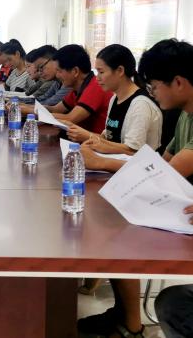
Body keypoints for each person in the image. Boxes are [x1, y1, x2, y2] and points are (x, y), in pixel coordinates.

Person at [79, 40, 193, 338]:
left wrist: (102, 163)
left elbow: (168, 173)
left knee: (118, 234)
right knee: (112, 225)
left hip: (181, 213)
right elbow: (161, 163)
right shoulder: (185, 114)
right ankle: (126, 318)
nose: (152, 93)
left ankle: (130, 324)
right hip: (176, 204)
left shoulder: (148, 105)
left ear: (178, 82)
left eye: (154, 86)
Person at [68, 44, 163, 172]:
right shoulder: (114, 98)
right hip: (117, 168)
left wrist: (90, 137)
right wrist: (91, 142)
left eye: (101, 72)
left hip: (139, 172)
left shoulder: (141, 105)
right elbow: (107, 137)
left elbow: (133, 150)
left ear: (120, 71)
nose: (97, 78)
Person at [44, 44, 113, 134]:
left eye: (59, 71)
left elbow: (70, 118)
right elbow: (56, 109)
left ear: (75, 71)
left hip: (97, 140)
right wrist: (32, 109)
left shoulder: (95, 86)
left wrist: (36, 114)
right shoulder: (77, 88)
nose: (57, 75)